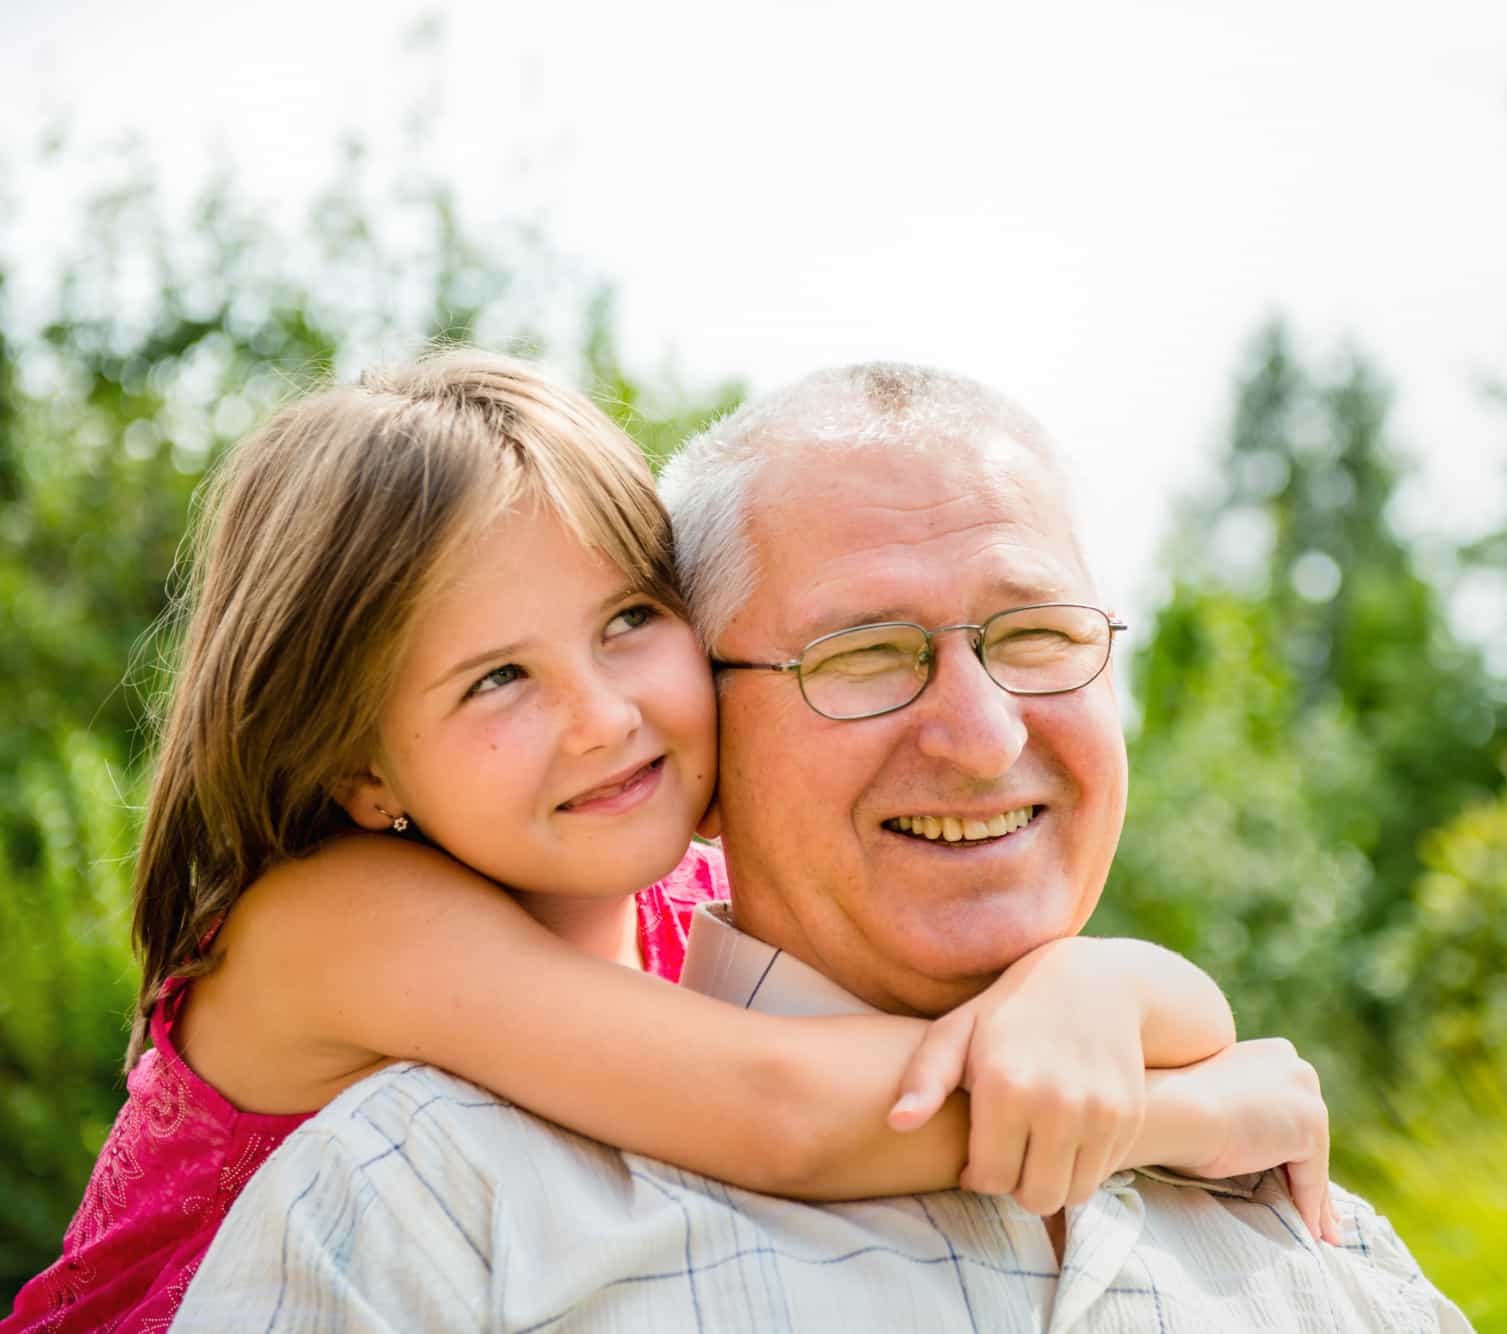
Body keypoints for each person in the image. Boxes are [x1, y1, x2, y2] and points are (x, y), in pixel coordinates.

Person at [4, 354, 1331, 1334]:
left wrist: (1085, 985)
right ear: (360, 763)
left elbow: (1138, 1001)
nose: (604, 716)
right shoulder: (331, 923)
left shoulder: (682, 895)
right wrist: (1169, 1110)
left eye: (630, 620)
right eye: (495, 680)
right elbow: (783, 1111)